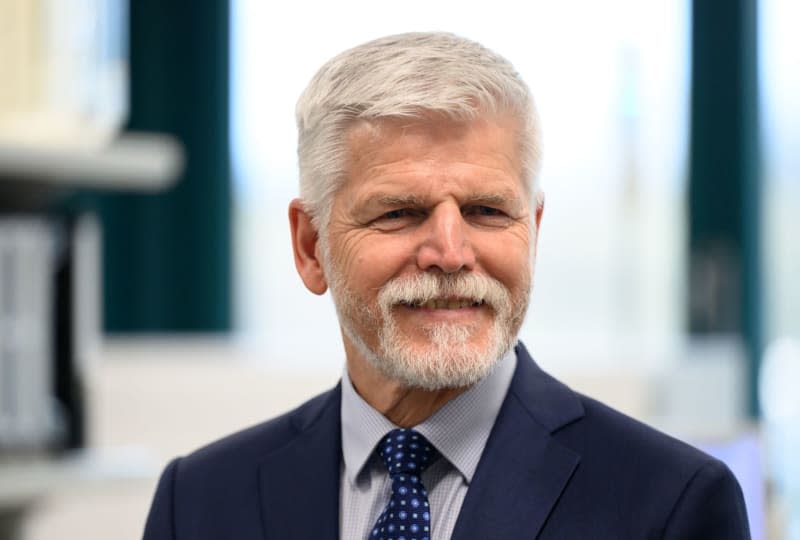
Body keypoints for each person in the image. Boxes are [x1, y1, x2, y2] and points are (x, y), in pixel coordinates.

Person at [143, 32, 750, 539]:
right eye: (399, 213)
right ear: (311, 247)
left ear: (532, 232)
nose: (451, 254)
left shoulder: (671, 505)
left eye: (487, 211)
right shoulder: (199, 503)